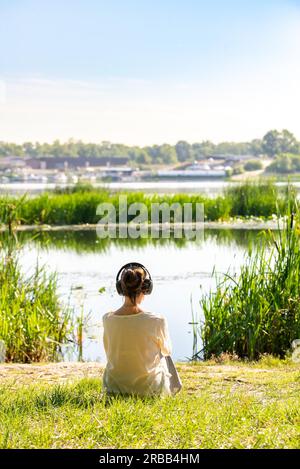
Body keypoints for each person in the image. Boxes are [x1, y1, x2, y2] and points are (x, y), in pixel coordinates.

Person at [102, 262, 182, 397]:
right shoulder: (157, 320)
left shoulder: (107, 319)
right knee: (164, 354)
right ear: (146, 288)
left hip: (113, 388)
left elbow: (108, 351)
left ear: (120, 288)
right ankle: (173, 391)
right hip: (149, 390)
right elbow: (167, 351)